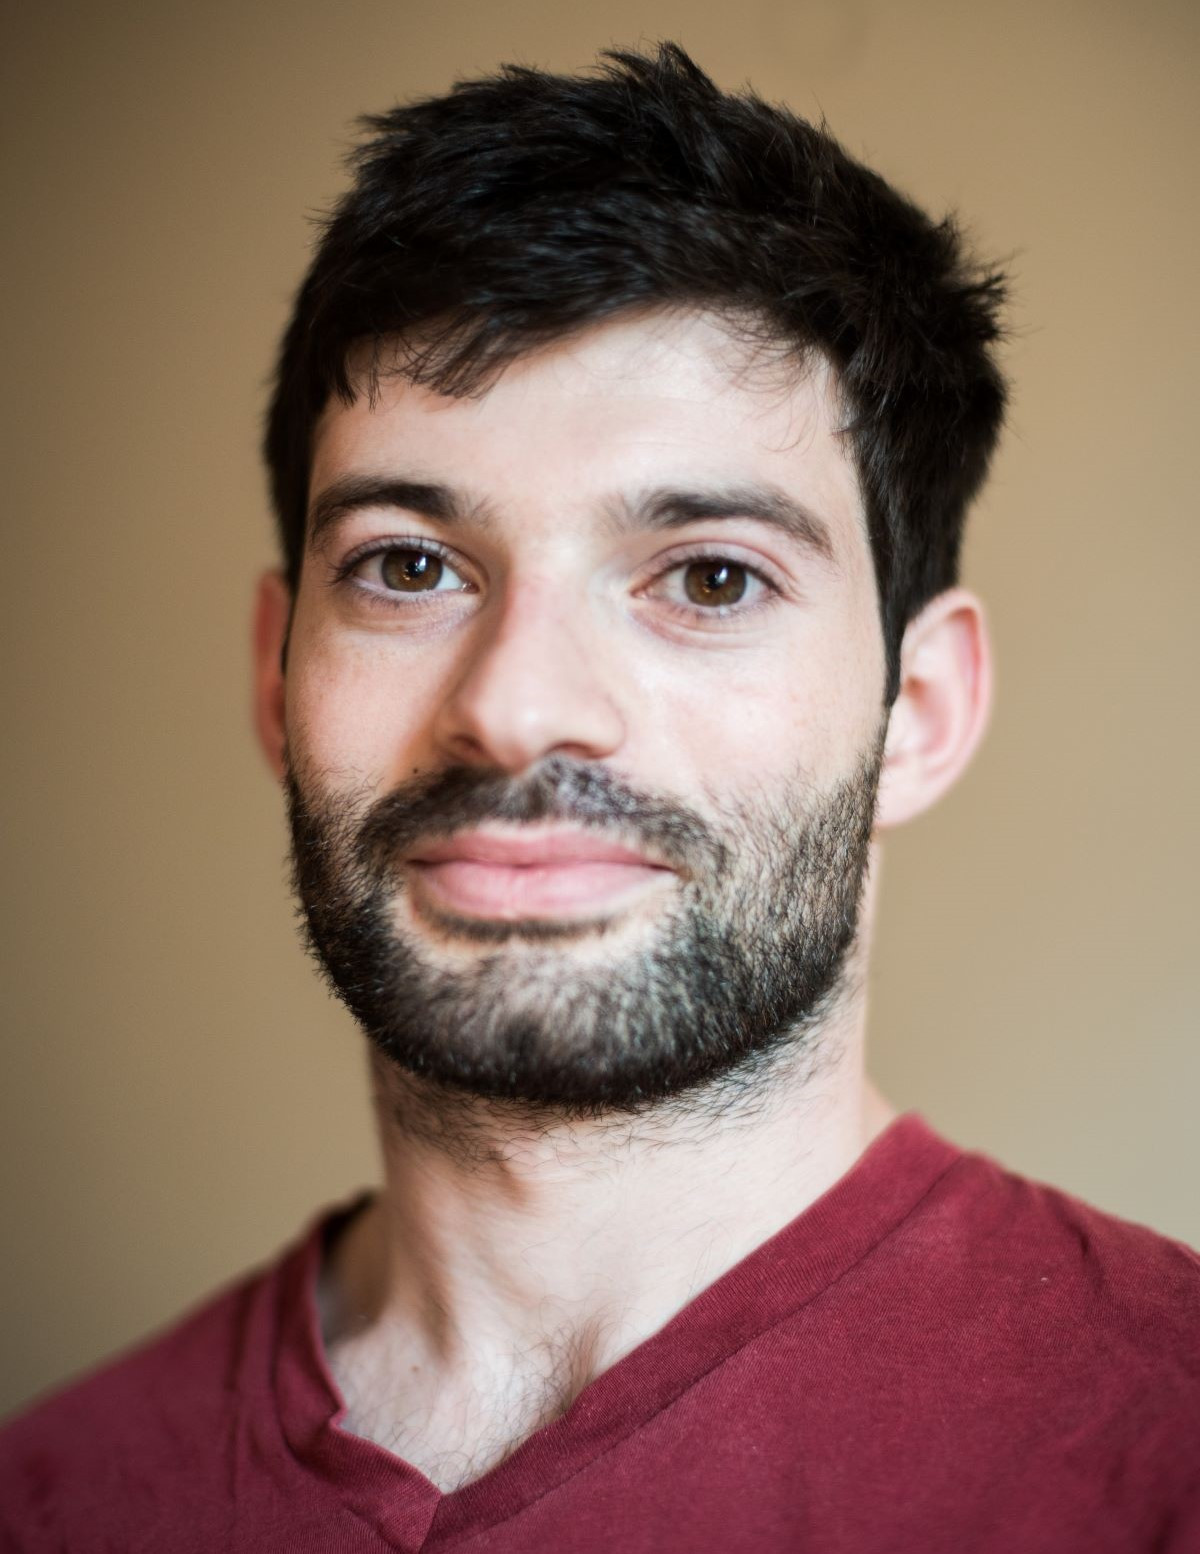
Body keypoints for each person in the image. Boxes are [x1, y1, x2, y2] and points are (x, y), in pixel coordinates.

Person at [2, 41, 1196, 1554]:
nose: (516, 705)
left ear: (921, 712)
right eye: (408, 566)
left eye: (710, 579)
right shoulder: (51, 1501)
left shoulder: (1164, 1452)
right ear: (275, 673)